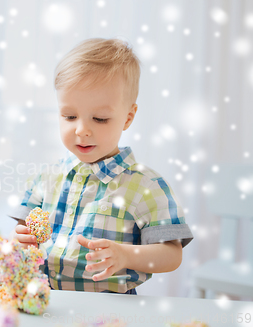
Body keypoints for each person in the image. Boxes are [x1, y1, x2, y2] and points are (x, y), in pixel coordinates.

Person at [10, 38, 194, 294]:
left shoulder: (146, 186)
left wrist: (126, 255)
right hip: (46, 302)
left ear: (128, 117)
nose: (82, 130)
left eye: (100, 118)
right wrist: (17, 241)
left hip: (111, 312)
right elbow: (20, 230)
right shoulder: (47, 177)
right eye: (69, 116)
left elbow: (172, 255)